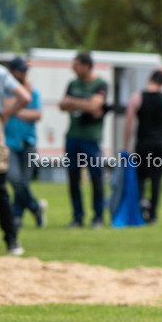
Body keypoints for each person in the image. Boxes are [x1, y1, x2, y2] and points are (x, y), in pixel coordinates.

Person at [123, 67, 162, 224]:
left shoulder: (137, 97)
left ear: (149, 79)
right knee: (156, 179)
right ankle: (153, 216)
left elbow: (129, 122)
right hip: (161, 143)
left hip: (143, 142)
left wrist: (126, 146)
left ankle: (141, 206)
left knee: (140, 176)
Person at [59, 52, 108, 228]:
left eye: (76, 64)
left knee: (96, 177)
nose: (73, 68)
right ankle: (77, 217)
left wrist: (74, 102)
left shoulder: (100, 84)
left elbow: (95, 105)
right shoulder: (72, 84)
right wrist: (84, 104)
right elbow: (62, 105)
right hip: (73, 137)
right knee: (73, 178)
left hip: (91, 138)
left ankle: (98, 217)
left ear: (87, 66)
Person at [4, 58, 45, 229]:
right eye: (21, 71)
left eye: (25, 71)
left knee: (24, 182)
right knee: (15, 179)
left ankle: (17, 217)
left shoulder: (33, 92)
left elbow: (37, 114)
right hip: (9, 142)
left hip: (28, 141)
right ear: (12, 72)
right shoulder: (4, 91)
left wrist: (15, 109)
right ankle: (36, 207)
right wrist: (20, 106)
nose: (24, 74)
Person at [0, 62, 31, 255]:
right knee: (0, 190)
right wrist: (4, 114)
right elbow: (24, 97)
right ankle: (12, 241)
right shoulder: (0, 72)